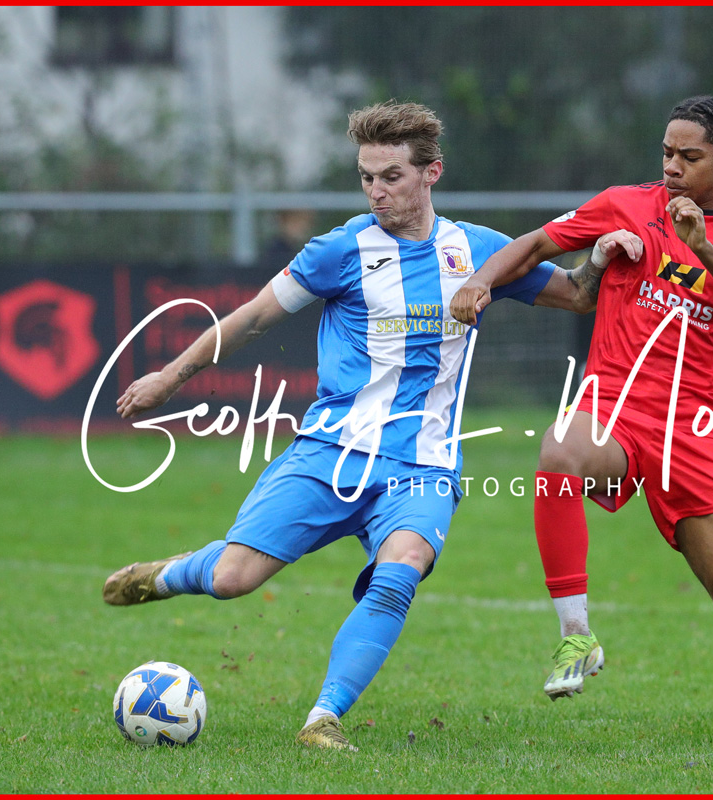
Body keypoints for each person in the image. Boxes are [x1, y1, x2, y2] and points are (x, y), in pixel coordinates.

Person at [103, 101, 624, 752]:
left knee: (400, 567)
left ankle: (323, 718)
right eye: (366, 177)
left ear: (432, 173)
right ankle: (168, 574)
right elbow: (253, 318)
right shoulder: (340, 250)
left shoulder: (479, 251)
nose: (376, 191)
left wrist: (602, 256)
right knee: (233, 579)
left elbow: (577, 294)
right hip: (330, 452)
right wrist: (170, 377)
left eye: (391, 177)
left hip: (424, 465)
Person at [449, 96, 713, 744]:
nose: (672, 166)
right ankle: (576, 635)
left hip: (694, 430)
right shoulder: (626, 204)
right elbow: (535, 244)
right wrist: (481, 282)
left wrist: (701, 247)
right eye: (666, 152)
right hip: (617, 405)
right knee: (559, 450)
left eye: (689, 156)